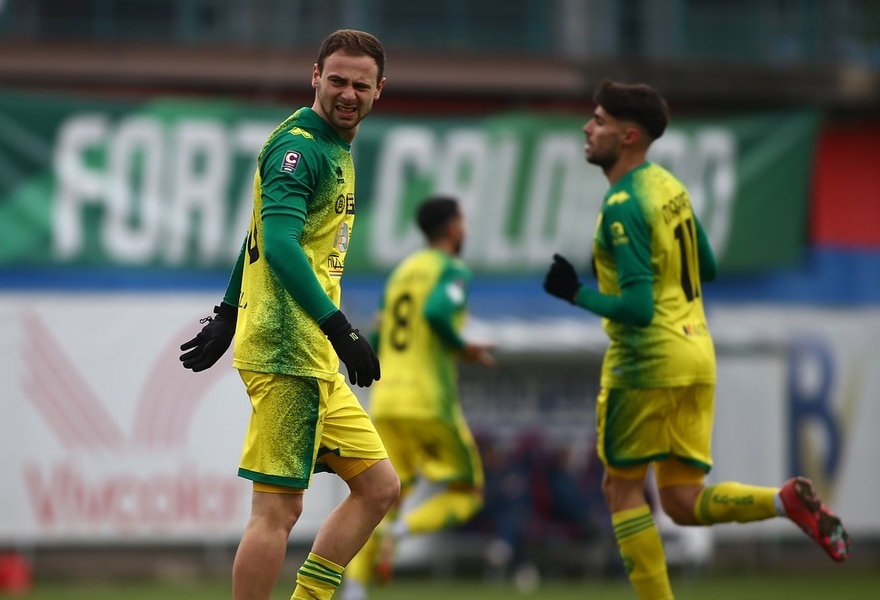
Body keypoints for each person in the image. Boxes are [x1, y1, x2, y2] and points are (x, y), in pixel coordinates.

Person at [541, 79, 848, 599]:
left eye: (599, 121)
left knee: (621, 490)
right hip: (697, 354)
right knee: (682, 502)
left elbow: (639, 310)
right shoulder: (669, 187)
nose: (587, 128)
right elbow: (706, 264)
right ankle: (783, 502)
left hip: (646, 361)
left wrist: (575, 292)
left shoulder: (622, 203)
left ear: (629, 136)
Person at [178, 29, 400, 600]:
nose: (348, 94)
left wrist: (228, 311)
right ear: (315, 77)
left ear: (379, 89)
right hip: (287, 348)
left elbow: (259, 233)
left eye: (361, 85)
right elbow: (277, 244)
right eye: (337, 81)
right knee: (276, 511)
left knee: (378, 487)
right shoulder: (298, 150)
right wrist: (340, 328)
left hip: (312, 353)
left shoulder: (332, 145)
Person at [341, 197, 494, 600]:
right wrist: (464, 347)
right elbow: (437, 313)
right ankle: (400, 531)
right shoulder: (452, 269)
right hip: (428, 401)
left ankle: (355, 590)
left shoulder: (400, 274)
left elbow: (378, 336)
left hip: (387, 401)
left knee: (379, 496)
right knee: (468, 493)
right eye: (463, 222)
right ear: (454, 229)